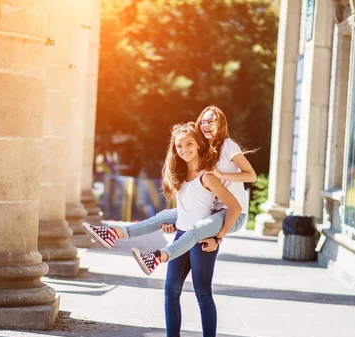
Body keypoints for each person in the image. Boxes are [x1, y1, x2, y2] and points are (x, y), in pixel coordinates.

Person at [82, 105, 256, 275]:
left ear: (221, 123)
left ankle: (158, 257)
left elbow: (251, 176)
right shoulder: (205, 148)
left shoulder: (228, 145)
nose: (205, 125)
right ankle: (114, 233)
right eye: (202, 121)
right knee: (165, 216)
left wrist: (221, 174)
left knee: (196, 229)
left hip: (233, 213)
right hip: (212, 209)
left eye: (211, 121)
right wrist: (176, 223)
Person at [146, 122, 241, 337]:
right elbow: (185, 211)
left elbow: (235, 207)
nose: (184, 149)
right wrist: (171, 225)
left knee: (202, 292)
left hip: (202, 241)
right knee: (170, 291)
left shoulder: (207, 175)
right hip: (181, 237)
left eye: (189, 144)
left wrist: (218, 237)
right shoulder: (179, 176)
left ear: (198, 145)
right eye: (179, 146)